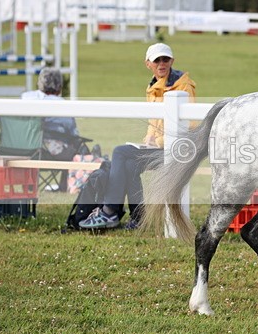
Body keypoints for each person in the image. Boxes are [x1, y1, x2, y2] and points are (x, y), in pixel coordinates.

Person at [79, 43, 196, 230]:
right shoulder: (153, 85)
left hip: (176, 151)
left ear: (172, 61)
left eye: (165, 59)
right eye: (157, 60)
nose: (161, 63)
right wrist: (149, 138)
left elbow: (189, 128)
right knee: (129, 164)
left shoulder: (182, 86)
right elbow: (154, 122)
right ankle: (139, 218)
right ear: (148, 64)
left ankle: (109, 211)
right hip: (159, 148)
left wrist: (157, 141)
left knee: (119, 152)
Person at [20, 67, 80, 159]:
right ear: (59, 86)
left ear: (39, 83)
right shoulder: (62, 104)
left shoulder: (25, 97)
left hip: (22, 148)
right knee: (77, 148)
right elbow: (73, 133)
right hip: (52, 153)